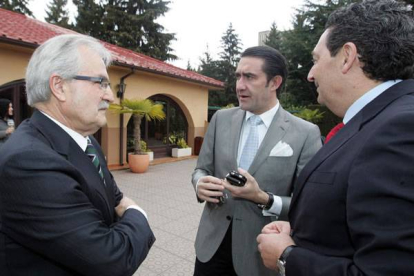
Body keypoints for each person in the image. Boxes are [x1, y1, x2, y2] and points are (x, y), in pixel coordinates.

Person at [256, 1, 414, 275]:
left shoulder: (399, 129)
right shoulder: (380, 120)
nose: (310, 74)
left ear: (346, 56)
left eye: (316, 60)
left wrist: (287, 256)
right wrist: (301, 230)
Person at [0, 34, 155, 276]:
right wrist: (137, 213)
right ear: (59, 87)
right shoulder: (28, 162)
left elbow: (113, 197)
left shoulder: (86, 141)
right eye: (100, 83)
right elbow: (112, 260)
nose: (110, 96)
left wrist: (123, 207)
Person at [192, 46, 322, 276]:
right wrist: (200, 183)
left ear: (275, 82)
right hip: (211, 246)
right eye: (238, 76)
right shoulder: (221, 119)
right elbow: (201, 169)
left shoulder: (305, 133)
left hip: (261, 254)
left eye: (250, 77)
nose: (240, 85)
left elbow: (309, 205)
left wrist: (263, 198)